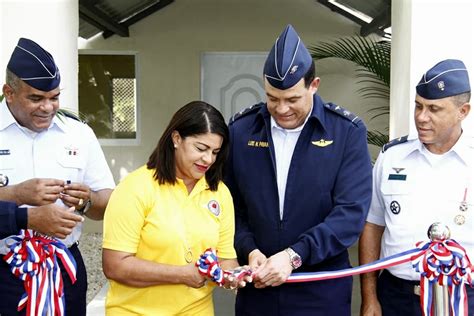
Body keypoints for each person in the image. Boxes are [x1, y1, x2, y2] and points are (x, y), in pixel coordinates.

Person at [224, 24, 373, 315]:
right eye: (272, 98)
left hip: (320, 288)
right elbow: (231, 208)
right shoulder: (241, 131)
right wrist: (249, 249)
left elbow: (350, 214)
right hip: (259, 288)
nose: (281, 109)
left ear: (313, 85)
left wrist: (294, 256)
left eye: (292, 99)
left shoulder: (346, 132)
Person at [0, 38, 115, 316]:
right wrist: (16, 195)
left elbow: (109, 201)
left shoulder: (78, 133)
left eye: (55, 97)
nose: (48, 108)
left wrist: (87, 201)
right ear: (9, 92)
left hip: (65, 269)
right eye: (36, 98)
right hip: (4, 270)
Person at [102, 101, 250, 315]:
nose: (208, 159)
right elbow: (115, 266)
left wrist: (233, 276)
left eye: (215, 152)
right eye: (201, 148)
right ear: (176, 139)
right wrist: (181, 274)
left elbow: (225, 258)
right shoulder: (135, 188)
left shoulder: (220, 193)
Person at [359, 59, 473, 315]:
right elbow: (372, 225)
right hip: (397, 297)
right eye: (418, 106)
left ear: (462, 111)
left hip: (463, 298)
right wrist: (369, 297)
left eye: (434, 109)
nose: (422, 117)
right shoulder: (392, 157)